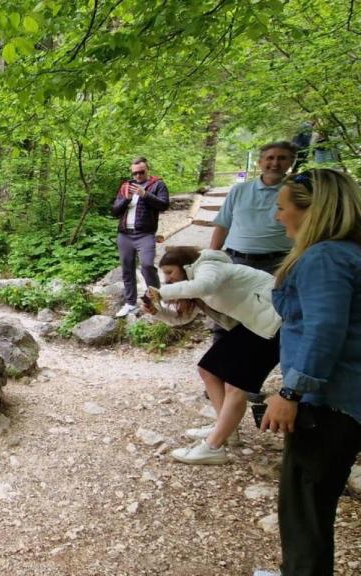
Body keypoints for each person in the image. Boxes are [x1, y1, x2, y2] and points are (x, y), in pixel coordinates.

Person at [261, 168, 361, 575]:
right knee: (312, 506)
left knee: (304, 512)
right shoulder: (347, 253)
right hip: (342, 400)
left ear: (311, 210)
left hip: (328, 405)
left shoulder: (324, 257)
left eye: (282, 208)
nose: (277, 217)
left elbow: (325, 328)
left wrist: (290, 394)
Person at [140, 246, 281, 465]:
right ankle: (226, 428)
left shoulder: (208, 266)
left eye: (170, 272)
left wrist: (162, 293)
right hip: (253, 325)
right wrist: (157, 311)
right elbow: (182, 319)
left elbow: (205, 285)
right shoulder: (193, 286)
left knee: (236, 386)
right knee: (208, 369)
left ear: (184, 266)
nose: (168, 279)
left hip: (274, 322)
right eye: (165, 275)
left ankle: (213, 447)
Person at [210, 141, 295, 274]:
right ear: (260, 162)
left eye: (282, 158)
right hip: (235, 262)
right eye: (270, 158)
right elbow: (223, 225)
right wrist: (211, 258)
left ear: (291, 162)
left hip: (279, 264)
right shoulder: (239, 190)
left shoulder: (296, 192)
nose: (275, 163)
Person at [111, 156, 170, 318]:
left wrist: (145, 195)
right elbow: (115, 211)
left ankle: (156, 299)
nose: (137, 176)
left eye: (141, 172)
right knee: (127, 270)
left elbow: (164, 205)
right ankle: (130, 303)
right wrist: (126, 200)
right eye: (134, 173)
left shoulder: (157, 184)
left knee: (147, 265)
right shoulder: (126, 187)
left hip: (145, 234)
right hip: (124, 234)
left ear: (147, 170)